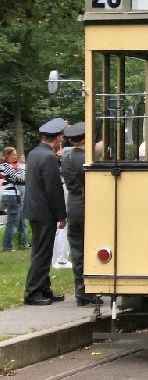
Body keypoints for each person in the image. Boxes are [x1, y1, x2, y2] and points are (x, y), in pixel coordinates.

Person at [23, 118, 68, 306]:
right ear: (57, 139)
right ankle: (33, 291)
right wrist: (61, 215)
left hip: (34, 209)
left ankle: (43, 288)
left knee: (41, 251)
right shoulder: (48, 157)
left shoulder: (34, 153)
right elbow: (54, 189)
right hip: (44, 212)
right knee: (42, 253)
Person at [60, 122, 102, 305]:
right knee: (88, 250)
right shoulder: (86, 159)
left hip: (74, 205)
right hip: (87, 207)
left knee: (77, 251)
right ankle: (88, 291)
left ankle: (80, 290)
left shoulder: (67, 158)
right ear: (85, 139)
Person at [1, 147, 27, 251]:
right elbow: (19, 178)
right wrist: (21, 167)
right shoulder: (6, 166)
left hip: (14, 194)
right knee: (12, 222)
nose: (15, 156)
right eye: (13, 155)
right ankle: (7, 246)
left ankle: (12, 244)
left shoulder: (9, 166)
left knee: (15, 221)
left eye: (16, 154)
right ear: (7, 155)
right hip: (10, 194)